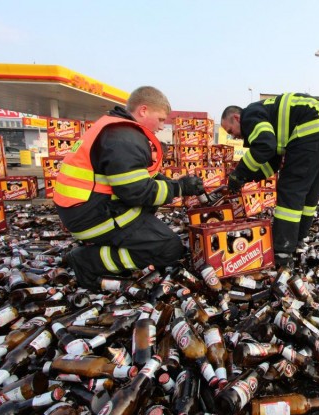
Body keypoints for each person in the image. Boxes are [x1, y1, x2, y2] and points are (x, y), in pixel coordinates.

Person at [53, 86, 205, 291]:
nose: (162, 126)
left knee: (154, 221)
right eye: (160, 119)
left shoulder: (114, 128)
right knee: (169, 248)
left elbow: (139, 178)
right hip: (93, 216)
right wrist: (179, 188)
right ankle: (87, 261)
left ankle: (103, 248)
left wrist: (176, 184)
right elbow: (136, 191)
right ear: (143, 110)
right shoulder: (124, 137)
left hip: (85, 209)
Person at [221, 93, 319, 268]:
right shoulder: (266, 116)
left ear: (236, 118)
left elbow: (265, 145)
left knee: (290, 189)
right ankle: (298, 239)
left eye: (231, 131)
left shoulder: (250, 115)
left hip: (309, 129)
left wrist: (238, 173)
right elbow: (272, 161)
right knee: (309, 192)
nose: (233, 137)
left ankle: (282, 251)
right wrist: (247, 178)